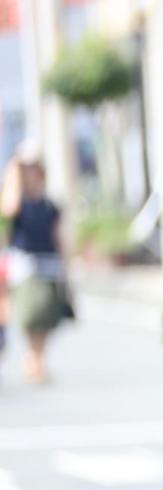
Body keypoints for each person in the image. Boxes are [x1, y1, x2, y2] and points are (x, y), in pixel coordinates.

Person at [1, 141, 67, 384]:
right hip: (24, 264)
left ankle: (38, 357)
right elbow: (9, 209)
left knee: (46, 314)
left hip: (48, 262)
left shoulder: (49, 203)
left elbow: (58, 235)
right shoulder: (15, 197)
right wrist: (13, 170)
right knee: (31, 312)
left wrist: (65, 265)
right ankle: (32, 357)